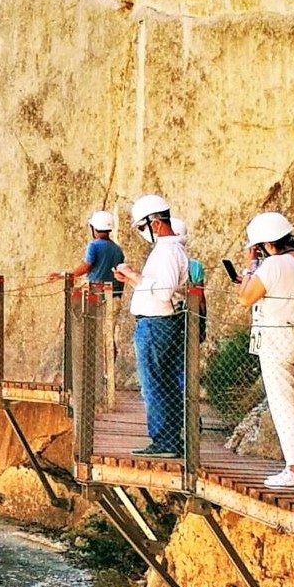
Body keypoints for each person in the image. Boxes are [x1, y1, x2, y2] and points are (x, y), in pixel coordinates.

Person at [237, 211, 294, 490]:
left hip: (277, 342)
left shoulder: (271, 267)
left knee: (283, 404)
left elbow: (245, 299)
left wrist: (251, 267)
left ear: (266, 245)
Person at [113, 194, 189, 456]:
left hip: (156, 325)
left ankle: (164, 441)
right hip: (159, 322)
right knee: (164, 382)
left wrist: (134, 275)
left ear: (155, 222)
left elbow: (164, 292)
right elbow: (156, 289)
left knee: (154, 384)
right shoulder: (170, 250)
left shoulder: (167, 251)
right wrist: (134, 279)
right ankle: (169, 439)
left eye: (143, 227)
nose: (143, 233)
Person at [50, 211, 124, 290]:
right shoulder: (118, 250)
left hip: (95, 292)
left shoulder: (94, 246)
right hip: (112, 292)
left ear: (94, 228)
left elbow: (86, 267)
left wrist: (62, 275)